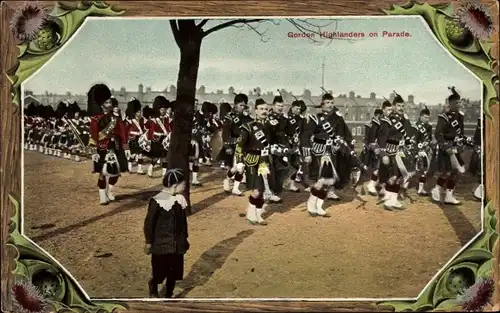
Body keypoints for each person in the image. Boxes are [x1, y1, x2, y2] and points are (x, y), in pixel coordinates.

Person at [144, 168, 190, 298]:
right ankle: (153, 286)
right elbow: (149, 223)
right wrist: (149, 242)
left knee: (174, 271)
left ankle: (168, 293)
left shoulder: (180, 200)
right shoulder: (157, 201)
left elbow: (183, 222)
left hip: (177, 244)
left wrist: (185, 238)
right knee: (159, 270)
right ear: (175, 185)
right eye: (183, 184)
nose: (185, 186)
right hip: (161, 244)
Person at [88, 84, 129, 205]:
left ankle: (109, 191)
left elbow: (122, 133)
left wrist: (126, 147)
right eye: (107, 103)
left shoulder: (115, 118)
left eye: (110, 102)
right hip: (102, 148)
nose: (109, 104)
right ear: (102, 105)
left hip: (115, 147)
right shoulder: (96, 119)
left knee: (116, 172)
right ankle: (102, 196)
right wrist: (94, 151)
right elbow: (93, 135)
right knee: (102, 173)